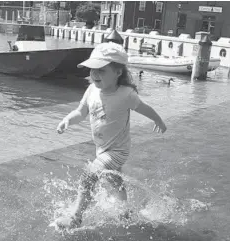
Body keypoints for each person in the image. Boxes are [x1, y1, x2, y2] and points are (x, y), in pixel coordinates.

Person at [55, 42, 167, 229]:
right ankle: (125, 212)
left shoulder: (125, 94)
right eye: (92, 69)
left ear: (118, 72)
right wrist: (67, 119)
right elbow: (81, 112)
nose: (95, 74)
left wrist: (158, 120)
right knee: (114, 181)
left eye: (102, 70)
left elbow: (144, 108)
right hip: (102, 149)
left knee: (89, 175)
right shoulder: (91, 90)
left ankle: (75, 217)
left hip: (118, 150)